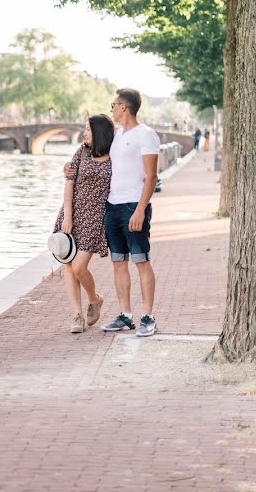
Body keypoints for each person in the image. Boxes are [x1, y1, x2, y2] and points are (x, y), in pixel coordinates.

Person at [100, 88, 161, 337]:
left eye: (113, 104)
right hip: (112, 207)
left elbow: (152, 176)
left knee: (141, 262)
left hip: (133, 207)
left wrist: (140, 210)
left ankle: (148, 316)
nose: (111, 108)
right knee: (118, 262)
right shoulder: (115, 136)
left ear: (123, 107)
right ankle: (126, 315)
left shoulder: (146, 135)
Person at [53, 114, 114, 334]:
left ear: (99, 133)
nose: (84, 133)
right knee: (69, 266)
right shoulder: (81, 152)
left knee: (79, 266)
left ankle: (94, 299)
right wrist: (67, 215)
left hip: (95, 218)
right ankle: (77, 315)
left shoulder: (114, 156)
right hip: (72, 214)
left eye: (87, 129)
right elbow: (70, 183)